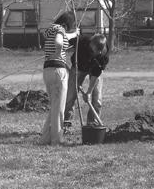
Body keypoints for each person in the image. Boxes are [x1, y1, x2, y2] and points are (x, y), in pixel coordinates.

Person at [40, 11, 79, 145]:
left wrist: (74, 33)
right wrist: (57, 53)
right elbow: (59, 41)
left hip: (47, 70)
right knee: (60, 108)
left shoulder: (51, 29)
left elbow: (63, 35)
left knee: (54, 106)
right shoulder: (60, 30)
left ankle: (45, 138)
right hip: (58, 70)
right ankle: (57, 139)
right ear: (65, 24)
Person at [63, 33, 109, 129]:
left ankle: (93, 125)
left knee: (97, 99)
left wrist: (89, 92)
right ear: (90, 44)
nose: (97, 54)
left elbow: (96, 74)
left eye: (99, 52)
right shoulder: (82, 41)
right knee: (70, 96)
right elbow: (66, 43)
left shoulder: (104, 54)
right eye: (94, 51)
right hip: (78, 68)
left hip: (94, 71)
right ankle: (66, 123)